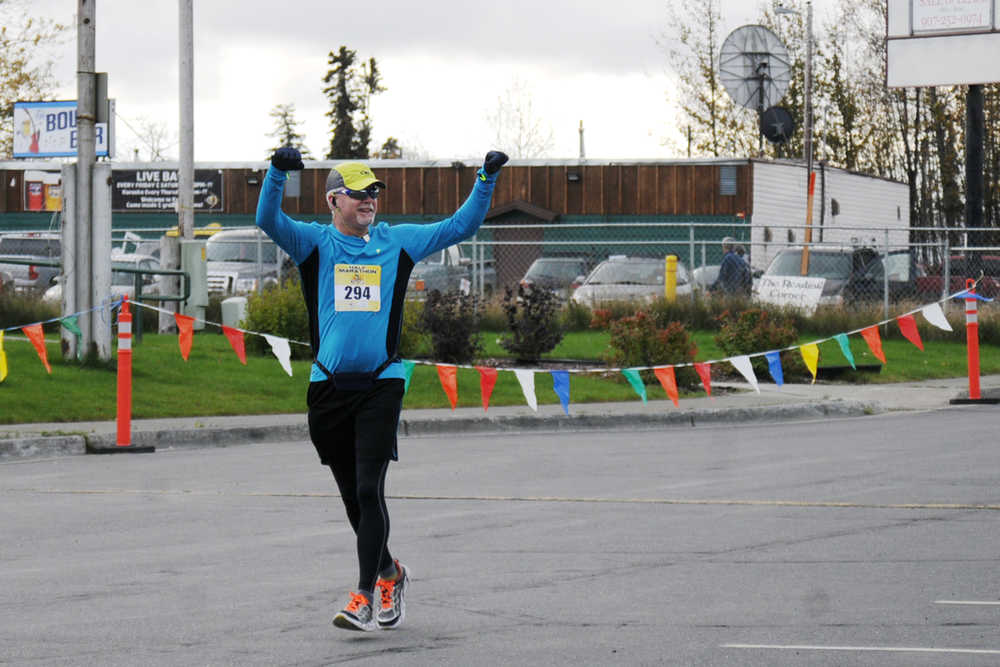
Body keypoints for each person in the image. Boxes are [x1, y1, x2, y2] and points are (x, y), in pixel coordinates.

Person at [257, 146, 508, 632]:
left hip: (382, 384)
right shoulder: (314, 244)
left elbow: (460, 227)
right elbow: (268, 219)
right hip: (328, 388)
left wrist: (484, 180)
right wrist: (276, 174)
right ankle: (391, 572)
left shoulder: (397, 243)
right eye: (358, 193)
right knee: (354, 498)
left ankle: (363, 596)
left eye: (373, 192)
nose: (369, 200)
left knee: (371, 489)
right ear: (333, 201)